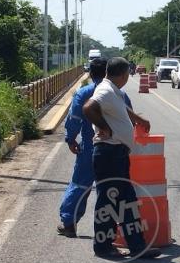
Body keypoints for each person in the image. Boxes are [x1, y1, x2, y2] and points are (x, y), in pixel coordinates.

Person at [82, 57, 161, 259]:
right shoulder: (105, 90)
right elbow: (88, 107)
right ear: (124, 75)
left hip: (116, 153)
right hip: (108, 153)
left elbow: (117, 107)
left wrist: (136, 118)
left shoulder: (111, 90)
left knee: (126, 201)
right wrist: (105, 127)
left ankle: (136, 246)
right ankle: (104, 246)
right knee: (110, 202)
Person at [57, 58, 136, 237]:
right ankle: (117, 231)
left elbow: (75, 119)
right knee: (113, 191)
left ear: (91, 74)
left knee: (79, 184)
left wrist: (70, 139)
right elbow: (129, 121)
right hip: (114, 149)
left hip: (89, 149)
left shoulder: (84, 93)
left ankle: (69, 222)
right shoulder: (119, 94)